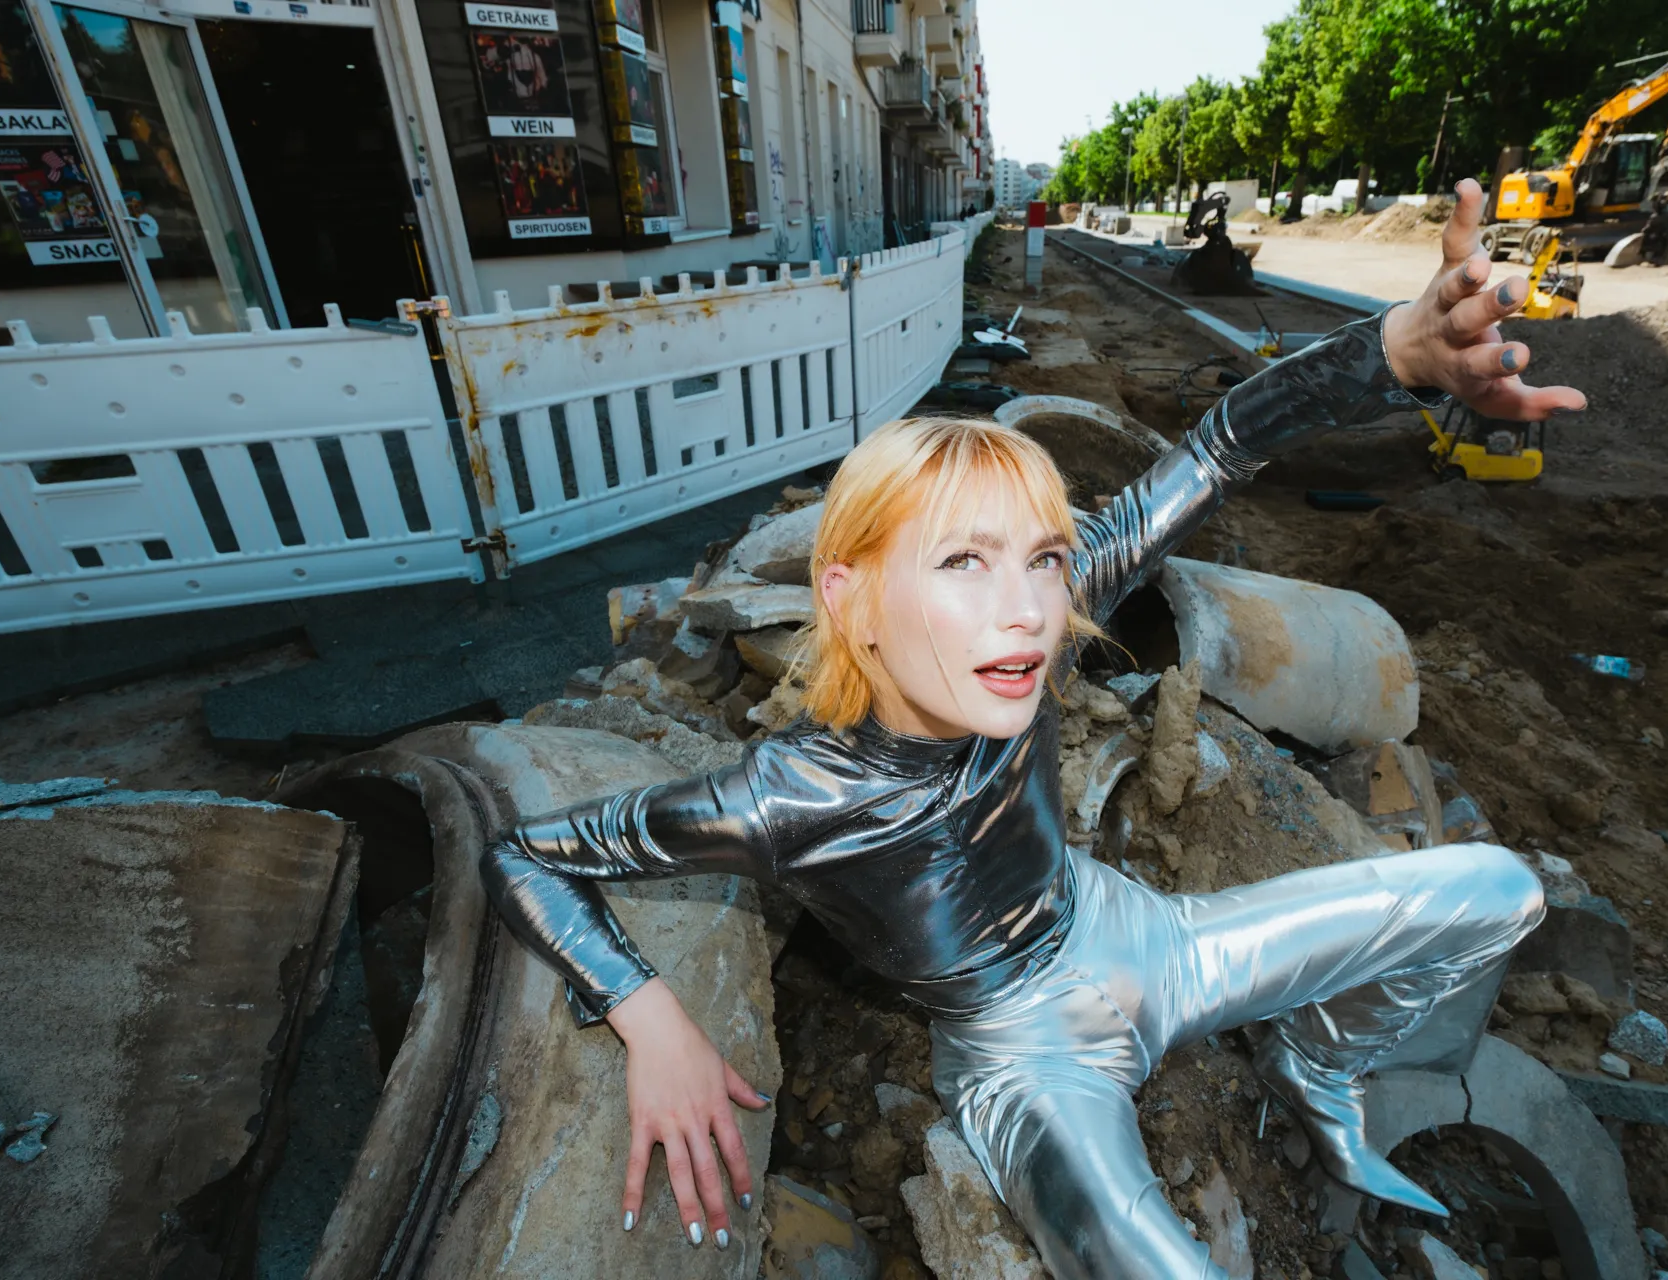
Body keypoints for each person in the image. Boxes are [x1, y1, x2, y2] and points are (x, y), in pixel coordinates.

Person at [480, 180, 1586, 1279]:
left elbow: (1216, 449)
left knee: (1501, 888)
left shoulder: (1037, 624)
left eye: (1044, 559)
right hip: (1025, 1053)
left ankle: (1318, 1061)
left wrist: (1390, 352)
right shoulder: (788, 795)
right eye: (962, 561)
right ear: (849, 599)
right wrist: (648, 1012)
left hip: (1143, 936)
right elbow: (526, 854)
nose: (1026, 607)